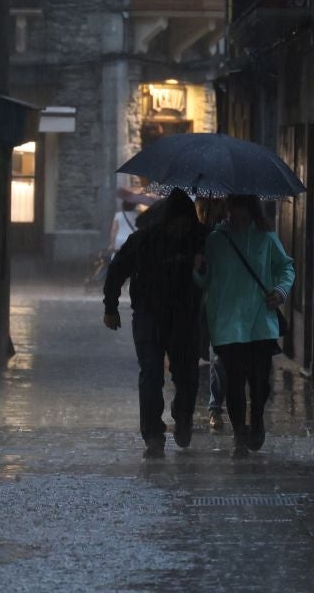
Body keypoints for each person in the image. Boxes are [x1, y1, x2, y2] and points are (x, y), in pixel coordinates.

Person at [103, 189, 208, 459]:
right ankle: (152, 434)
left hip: (185, 317)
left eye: (186, 223)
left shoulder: (202, 241)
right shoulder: (145, 240)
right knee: (151, 374)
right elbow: (117, 270)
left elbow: (217, 272)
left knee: (186, 375)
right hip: (149, 315)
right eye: (177, 222)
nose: (181, 228)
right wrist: (111, 307)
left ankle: (182, 418)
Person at [194, 195, 295, 459]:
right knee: (235, 382)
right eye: (232, 217)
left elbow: (286, 267)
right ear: (226, 213)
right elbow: (205, 281)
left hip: (260, 322)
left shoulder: (266, 238)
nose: (237, 222)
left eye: (242, 218)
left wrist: (281, 291)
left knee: (260, 382)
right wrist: (198, 270)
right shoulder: (215, 241)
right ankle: (239, 436)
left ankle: (257, 417)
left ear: (251, 213)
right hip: (227, 323)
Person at [194, 198, 228, 430]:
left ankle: (215, 406)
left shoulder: (224, 236)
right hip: (200, 305)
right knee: (212, 356)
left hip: (216, 303)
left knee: (219, 357)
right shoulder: (195, 235)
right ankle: (211, 407)